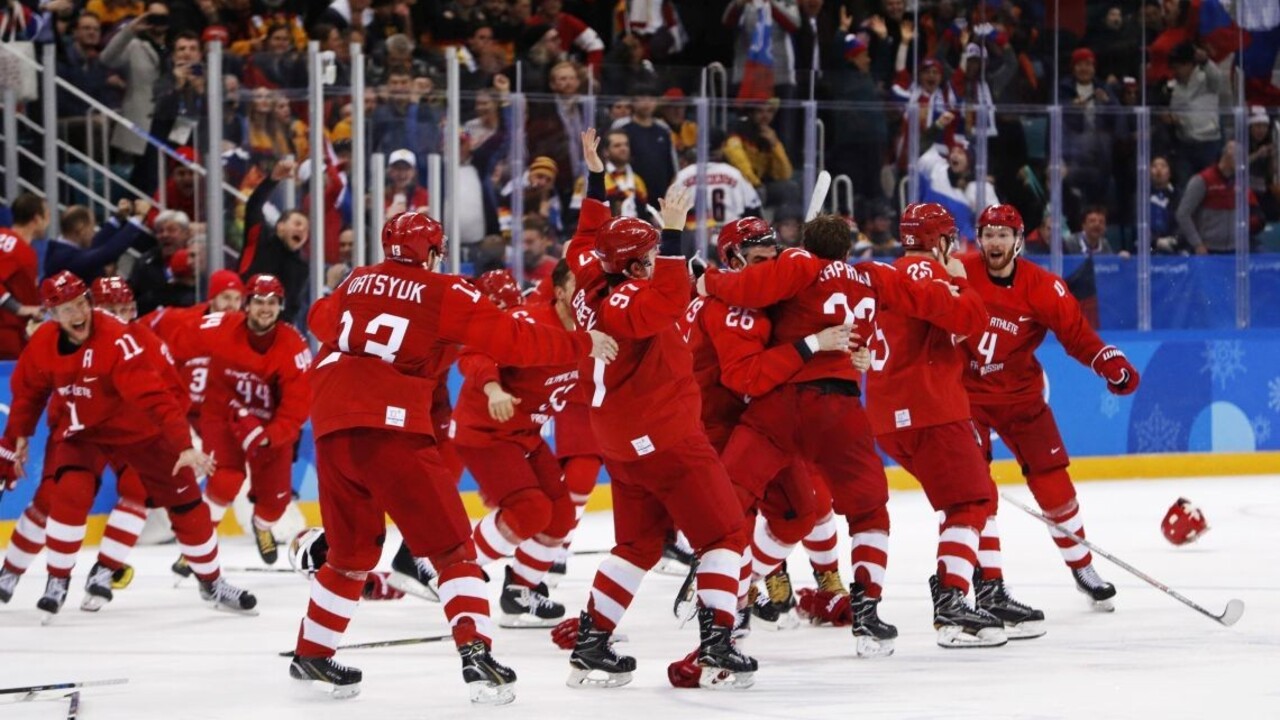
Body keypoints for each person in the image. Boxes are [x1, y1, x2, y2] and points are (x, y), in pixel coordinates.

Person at [290, 211, 615, 701]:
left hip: (332, 427)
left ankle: (312, 652)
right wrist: (582, 341)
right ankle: (476, 653)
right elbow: (516, 341)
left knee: (352, 553)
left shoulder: (357, 280)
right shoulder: (446, 291)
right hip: (392, 426)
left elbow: (319, 318)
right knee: (453, 552)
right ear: (434, 251)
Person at [695, 212, 977, 658]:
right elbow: (951, 311)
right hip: (838, 408)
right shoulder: (872, 275)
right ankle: (867, 614)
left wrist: (707, 282)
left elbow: (749, 287)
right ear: (848, 248)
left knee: (728, 504)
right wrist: (960, 286)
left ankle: (724, 608)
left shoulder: (799, 265)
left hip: (780, 402)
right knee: (869, 512)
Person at [554, 129, 756, 691]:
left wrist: (594, 176)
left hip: (619, 441)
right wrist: (671, 232)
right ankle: (717, 645)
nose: (654, 264)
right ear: (636, 266)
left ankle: (592, 645)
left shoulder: (589, 274)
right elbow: (667, 298)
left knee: (637, 545)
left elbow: (586, 234)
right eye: (646, 259)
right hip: (663, 435)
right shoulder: (628, 301)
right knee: (724, 535)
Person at [0, 271, 256, 618]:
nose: (79, 314)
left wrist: (181, 444)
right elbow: (29, 391)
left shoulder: (124, 340)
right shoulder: (46, 341)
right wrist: (16, 437)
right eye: (65, 308)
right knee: (63, 493)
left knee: (185, 504)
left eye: (82, 304)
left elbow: (162, 396)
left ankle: (209, 581)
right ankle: (48, 577)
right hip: (83, 430)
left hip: (141, 431)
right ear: (51, 313)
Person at [866, 203, 1043, 647]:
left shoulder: (888, 274)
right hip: (929, 411)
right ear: (939, 241)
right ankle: (952, 605)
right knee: (971, 501)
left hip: (892, 416)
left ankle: (986, 591)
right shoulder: (926, 275)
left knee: (972, 497)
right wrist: (962, 282)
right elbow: (970, 319)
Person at [962, 204, 1141, 610]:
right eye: (988, 234)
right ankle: (990, 585)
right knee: (976, 491)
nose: (994, 242)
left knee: (1054, 484)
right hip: (966, 397)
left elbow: (1077, 336)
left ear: (1018, 241)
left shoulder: (1043, 286)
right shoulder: (960, 271)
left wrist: (1107, 361)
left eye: (1003, 235)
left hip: (1021, 397)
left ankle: (1082, 567)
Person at [450, 268, 580, 626]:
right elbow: (474, 352)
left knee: (562, 517)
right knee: (530, 511)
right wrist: (493, 388)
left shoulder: (593, 331)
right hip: (485, 431)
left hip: (525, 434)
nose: (589, 294)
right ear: (560, 291)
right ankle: (455, 570)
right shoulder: (529, 320)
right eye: (579, 285)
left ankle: (520, 592)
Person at [166, 274, 311, 568]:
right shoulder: (220, 326)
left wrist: (270, 436)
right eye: (258, 302)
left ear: (281, 306)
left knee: (275, 503)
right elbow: (176, 342)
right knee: (223, 481)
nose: (265, 309)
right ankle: (198, 545)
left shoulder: (293, 347)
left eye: (272, 303)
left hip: (270, 429)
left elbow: (298, 406)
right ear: (247, 304)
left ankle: (262, 526)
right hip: (223, 416)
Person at [240, 157, 309, 324]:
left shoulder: (301, 268)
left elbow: (291, 309)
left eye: (306, 230)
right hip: (240, 319)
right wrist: (272, 180)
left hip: (271, 332)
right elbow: (254, 206)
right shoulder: (260, 240)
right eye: (298, 223)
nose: (302, 230)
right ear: (280, 226)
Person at [1176, 141, 1263, 255]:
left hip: (1235, 247)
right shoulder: (1202, 180)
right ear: (1227, 156)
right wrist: (1197, 243)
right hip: (1209, 248)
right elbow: (1182, 214)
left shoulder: (1240, 182)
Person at [44, 201, 152, 282]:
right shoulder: (64, 257)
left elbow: (95, 245)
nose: (93, 233)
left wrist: (118, 218)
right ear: (80, 229)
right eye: (91, 228)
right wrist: (139, 217)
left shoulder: (63, 250)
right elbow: (107, 253)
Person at [0, 193, 48, 359]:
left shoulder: (3, 236)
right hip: (8, 337)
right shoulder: (21, 251)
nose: (47, 224)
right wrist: (19, 308)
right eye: (46, 216)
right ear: (36, 219)